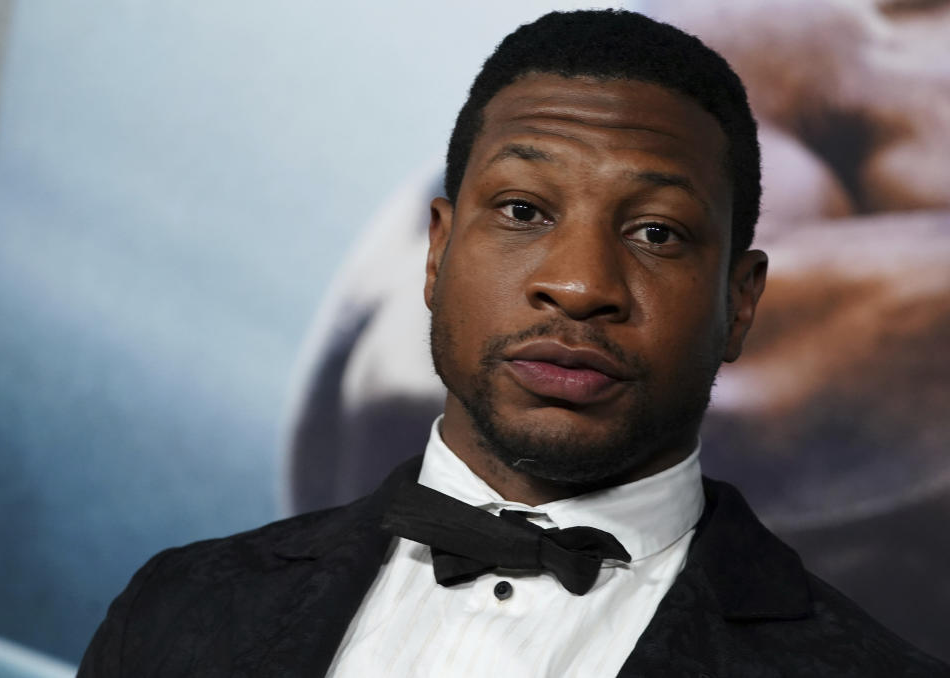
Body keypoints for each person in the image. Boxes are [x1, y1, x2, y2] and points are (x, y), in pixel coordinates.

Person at [78, 10, 948, 677]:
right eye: (524, 213)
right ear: (438, 249)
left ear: (742, 301)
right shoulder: (177, 607)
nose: (577, 285)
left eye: (655, 233)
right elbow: (388, 373)